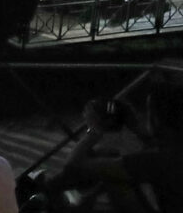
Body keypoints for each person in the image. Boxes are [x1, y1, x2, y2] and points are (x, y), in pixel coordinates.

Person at [47, 79, 183, 212]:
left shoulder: (155, 160)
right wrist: (135, 126)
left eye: (149, 112)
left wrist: (94, 130)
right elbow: (159, 144)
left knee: (111, 171)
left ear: (156, 119)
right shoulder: (169, 152)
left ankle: (47, 194)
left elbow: (74, 165)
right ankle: (67, 197)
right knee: (110, 159)